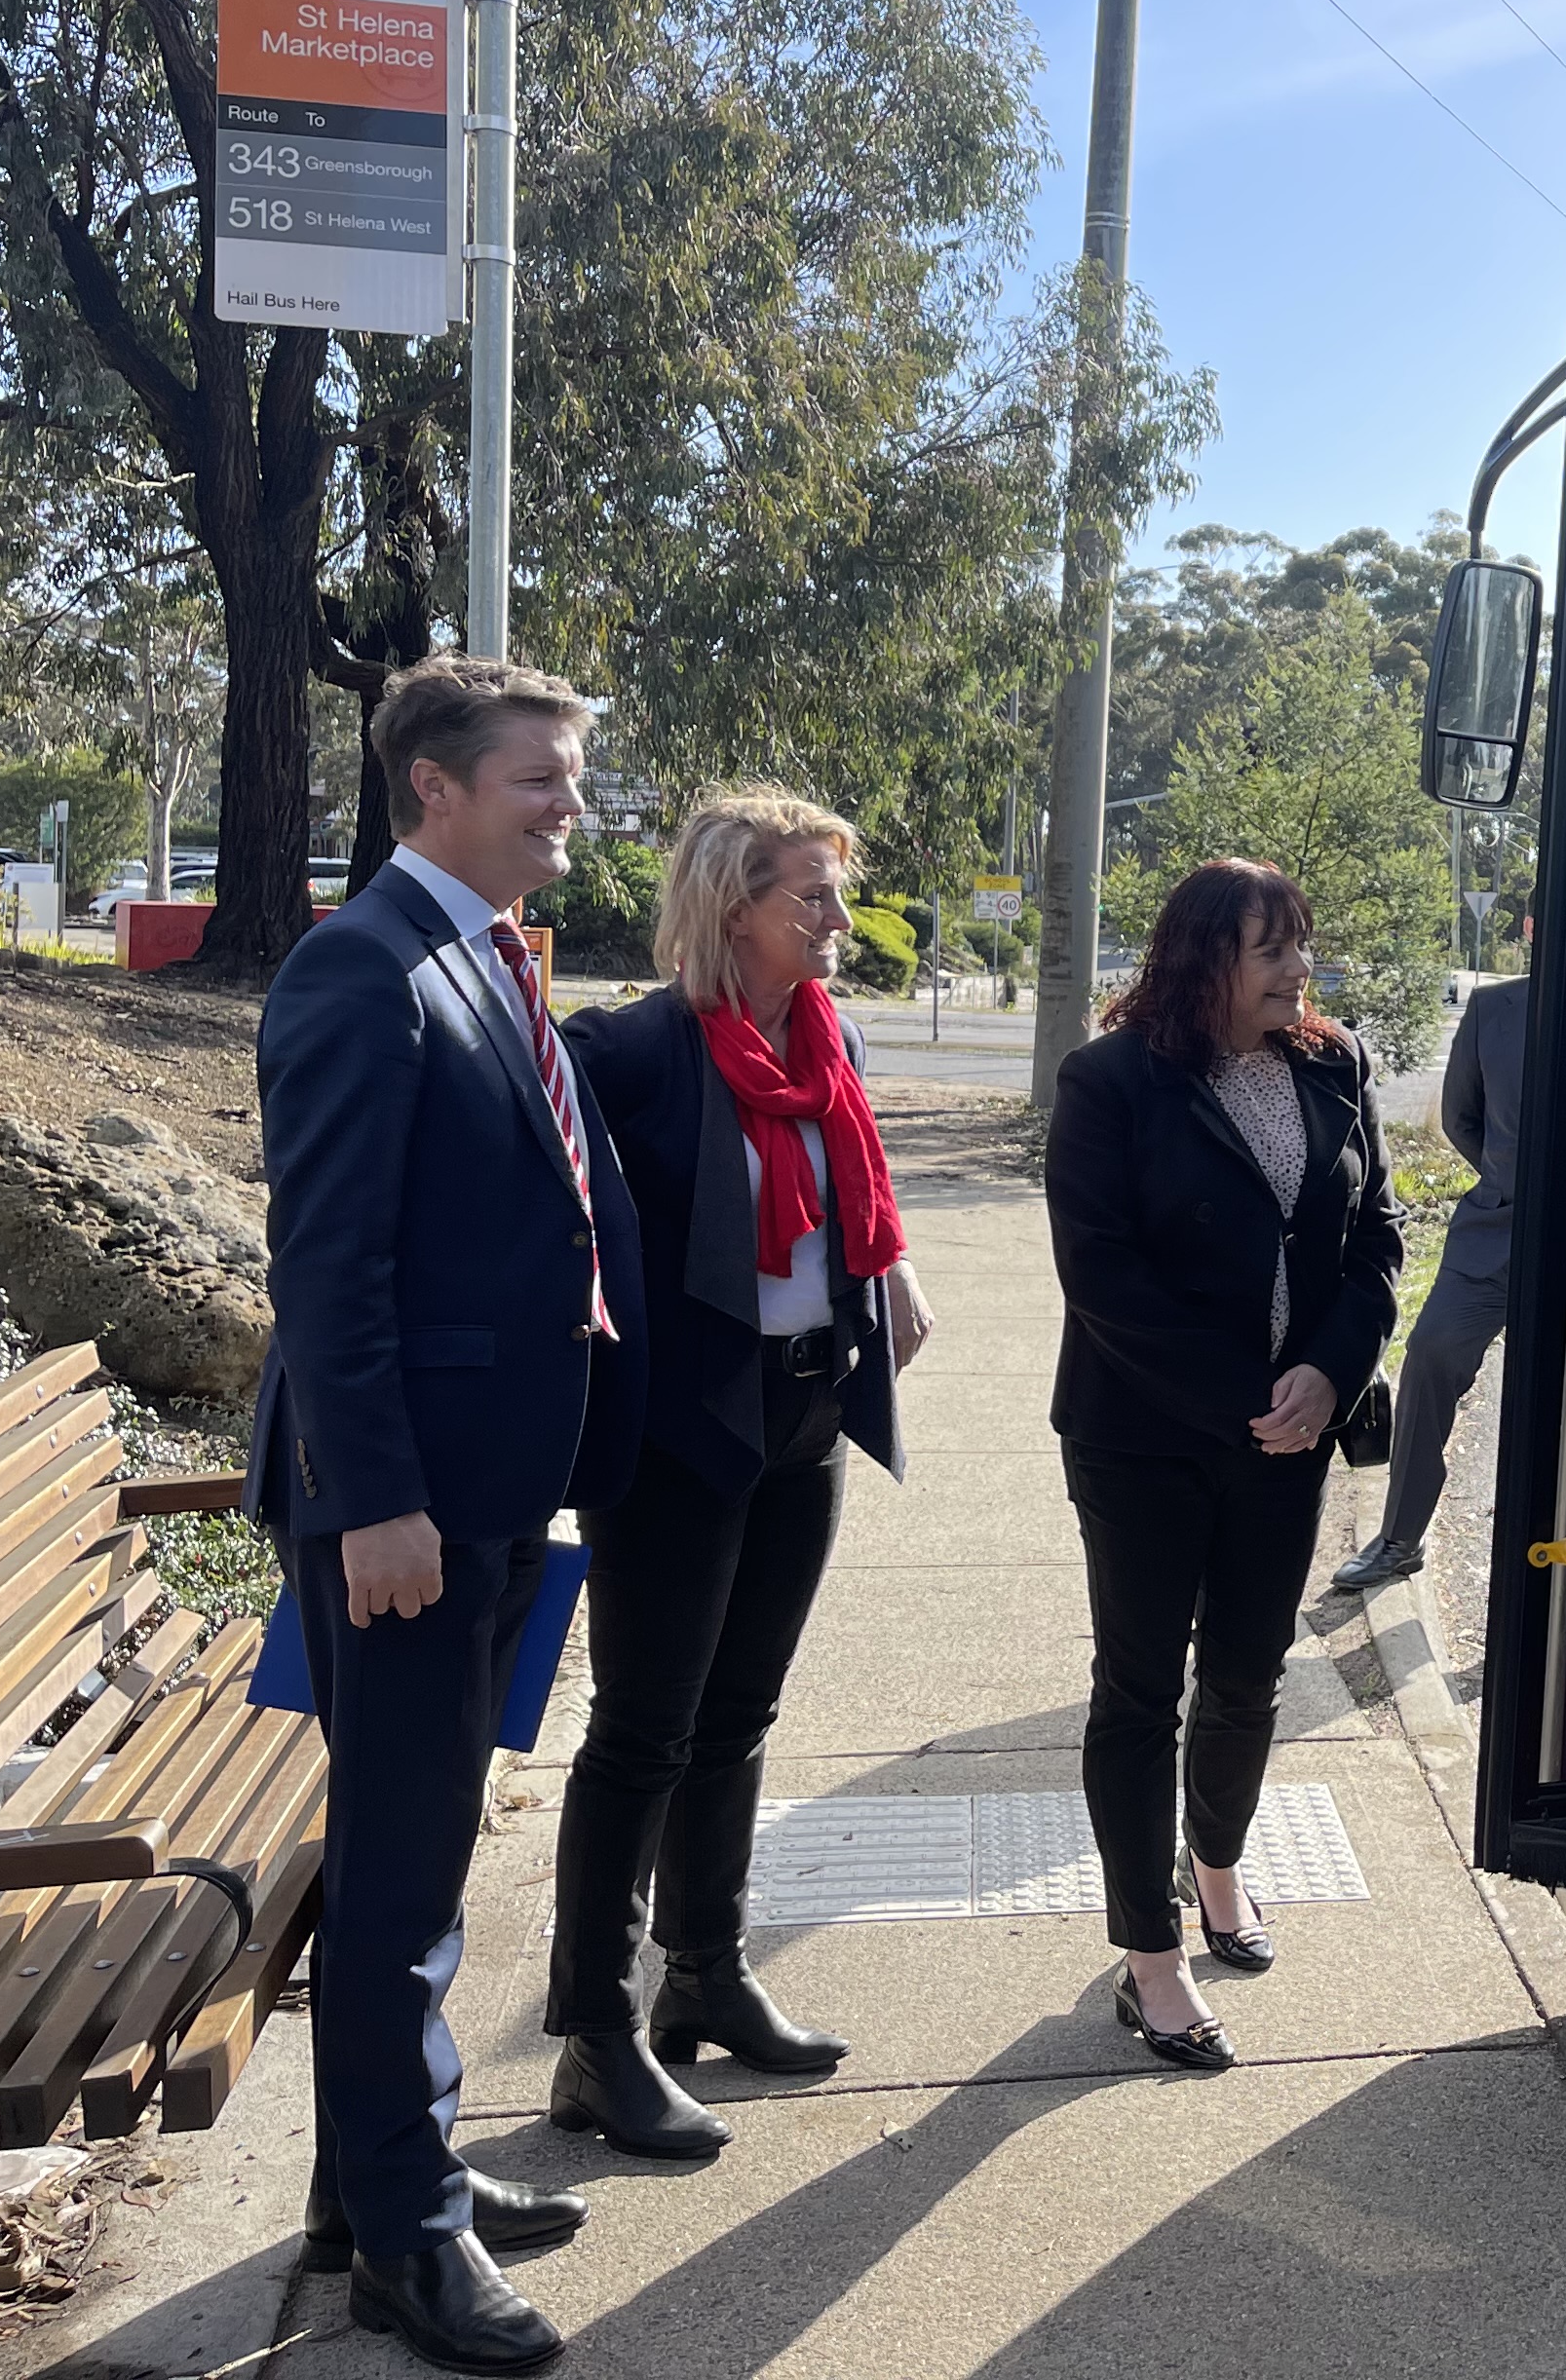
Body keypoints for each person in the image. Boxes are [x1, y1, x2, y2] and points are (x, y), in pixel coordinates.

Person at [250, 655, 645, 2377]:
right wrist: (380, 1504)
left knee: (423, 1850)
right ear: (434, 785)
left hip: (486, 1483)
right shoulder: (360, 969)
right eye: (539, 778)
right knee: (404, 1872)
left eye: (569, 776)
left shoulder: (476, 952)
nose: (569, 804)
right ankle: (405, 2249)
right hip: (406, 1506)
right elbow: (328, 1271)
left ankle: (378, 2175)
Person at [543, 793, 936, 2159]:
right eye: (810, 899)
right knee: (643, 1730)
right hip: (678, 1431)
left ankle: (705, 1974)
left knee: (743, 1713)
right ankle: (596, 2034)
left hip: (806, 1409)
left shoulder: (829, 1039)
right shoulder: (634, 1054)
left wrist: (894, 1281)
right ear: (730, 908)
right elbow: (565, 1231)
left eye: (835, 895)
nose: (837, 922)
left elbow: (842, 1199)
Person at [1049, 859, 1403, 2069]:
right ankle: (1150, 1961)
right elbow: (1102, 1279)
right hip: (1144, 1439)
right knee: (1141, 1690)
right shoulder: (1108, 1083)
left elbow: (1378, 1242)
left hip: (1289, 1441)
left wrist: (1328, 1379)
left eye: (1303, 944)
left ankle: (1219, 1868)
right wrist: (1247, 1403)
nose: (1301, 970)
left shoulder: (1333, 1063)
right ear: (1204, 962)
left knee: (1250, 1674)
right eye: (1273, 950)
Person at [1331, 957, 1524, 1593]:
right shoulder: (1493, 1009)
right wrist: (1508, 1182)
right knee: (1431, 1355)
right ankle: (1400, 1538)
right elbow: (1459, 1119)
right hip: (1494, 1235)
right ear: (1533, 930)